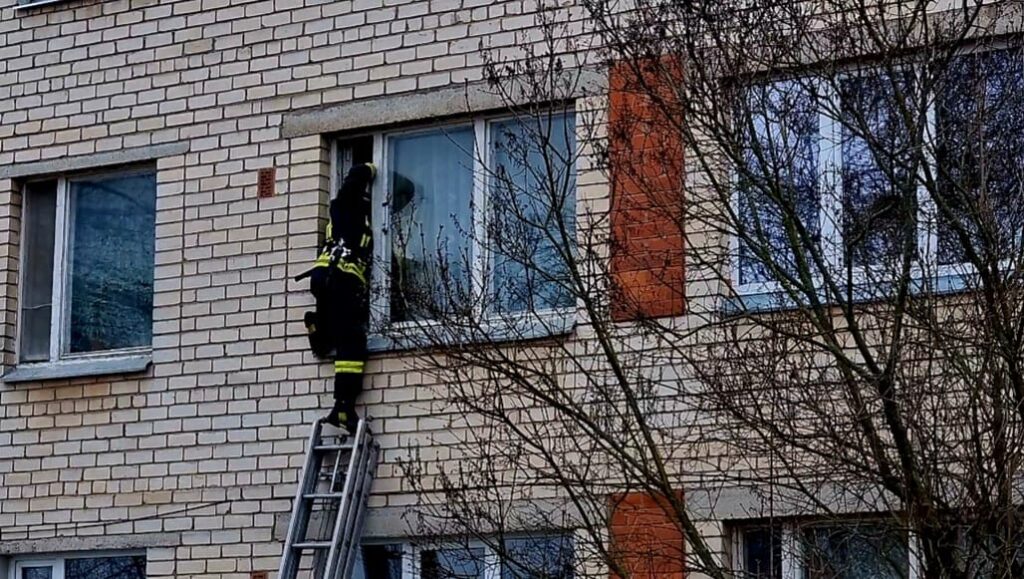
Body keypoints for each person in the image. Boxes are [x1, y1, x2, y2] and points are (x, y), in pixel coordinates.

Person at [299, 163, 375, 433]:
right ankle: (343, 408)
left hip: (327, 279)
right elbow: (347, 191)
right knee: (352, 340)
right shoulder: (347, 208)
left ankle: (319, 328)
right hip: (340, 279)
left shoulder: (360, 225)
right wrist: (366, 169)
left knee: (335, 335)